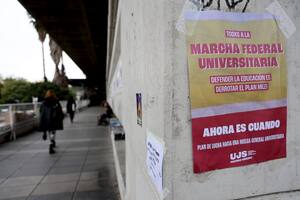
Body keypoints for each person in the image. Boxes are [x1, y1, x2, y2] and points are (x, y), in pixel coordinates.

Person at [38, 90, 64, 154]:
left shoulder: (44, 102)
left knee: (48, 130)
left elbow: (41, 111)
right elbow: (60, 111)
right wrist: (61, 118)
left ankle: (46, 134)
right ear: (53, 94)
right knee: (53, 132)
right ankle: (51, 142)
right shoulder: (56, 102)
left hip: (46, 120)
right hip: (54, 120)